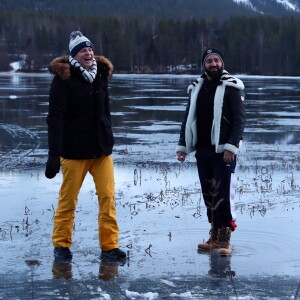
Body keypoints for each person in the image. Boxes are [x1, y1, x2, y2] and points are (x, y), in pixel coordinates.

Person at [45, 31, 126, 261]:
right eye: (83, 50)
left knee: (108, 198)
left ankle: (109, 246)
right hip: (74, 151)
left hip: (101, 150)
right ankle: (61, 245)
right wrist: (54, 154)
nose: (88, 53)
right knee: (68, 200)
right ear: (74, 55)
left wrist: (108, 135)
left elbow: (105, 110)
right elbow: (55, 118)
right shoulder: (63, 80)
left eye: (90, 49)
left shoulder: (100, 74)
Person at [176, 48, 246, 255]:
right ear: (204, 65)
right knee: (209, 194)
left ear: (222, 63)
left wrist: (231, 147)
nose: (213, 64)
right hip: (203, 150)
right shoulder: (197, 87)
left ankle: (225, 238)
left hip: (223, 151)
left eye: (216, 60)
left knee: (222, 194)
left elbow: (239, 121)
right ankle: (214, 235)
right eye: (209, 61)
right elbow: (188, 118)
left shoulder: (231, 87)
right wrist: (182, 146)